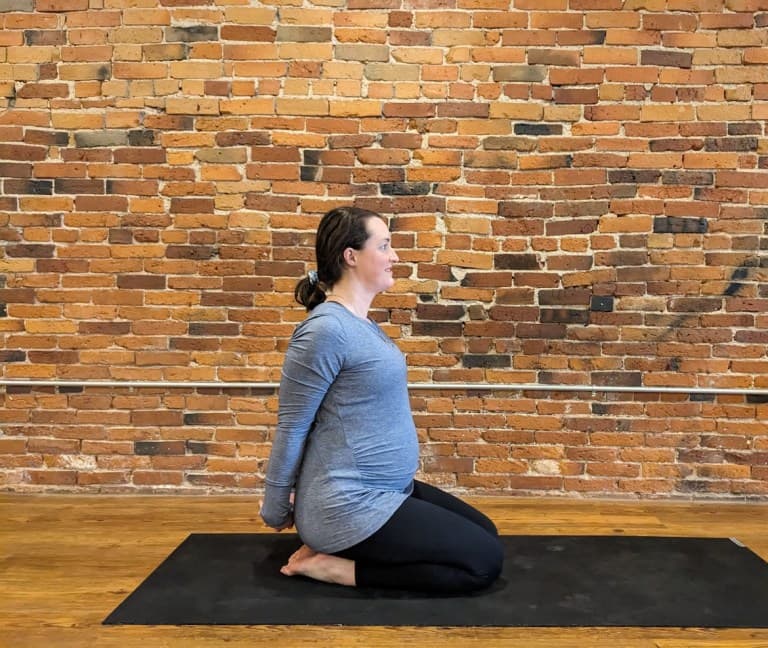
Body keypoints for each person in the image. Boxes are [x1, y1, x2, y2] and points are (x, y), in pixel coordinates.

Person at [259, 206, 504, 594]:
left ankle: (340, 547)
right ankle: (336, 568)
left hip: (388, 489)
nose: (395, 256)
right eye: (385, 246)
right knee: (483, 564)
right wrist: (276, 508)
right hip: (349, 503)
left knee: (485, 532)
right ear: (351, 256)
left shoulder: (360, 324)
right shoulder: (325, 331)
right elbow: (293, 424)